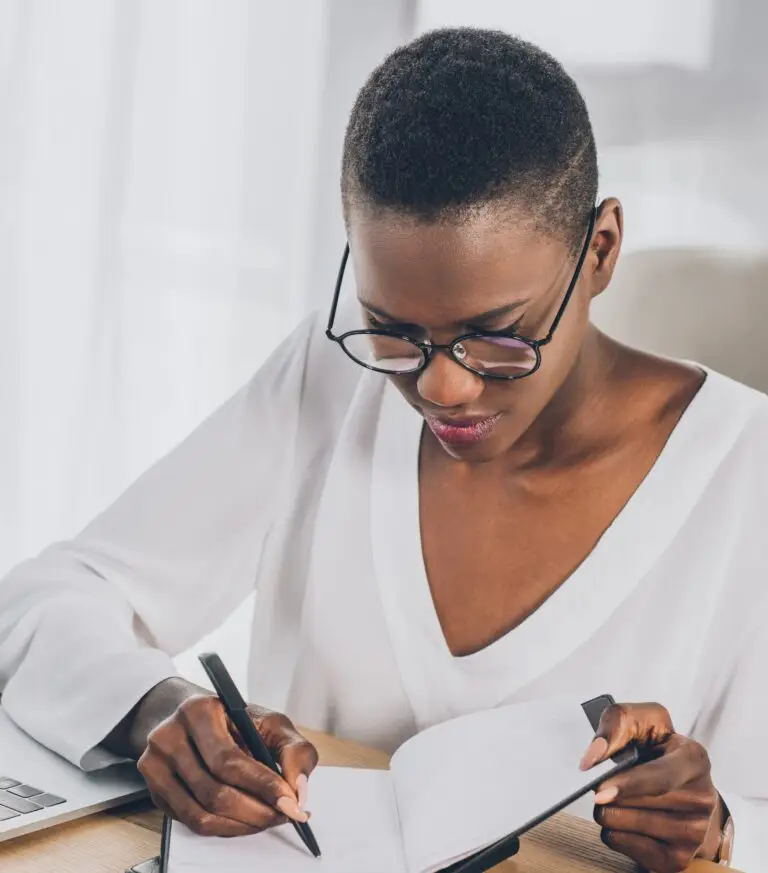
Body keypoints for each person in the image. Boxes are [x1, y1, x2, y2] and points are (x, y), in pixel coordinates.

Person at [0, 27, 764, 871]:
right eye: (393, 331)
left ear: (602, 251)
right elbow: (43, 601)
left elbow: (749, 812)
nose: (440, 388)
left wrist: (722, 824)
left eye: (497, 337)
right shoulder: (329, 383)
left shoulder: (745, 476)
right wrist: (158, 704)